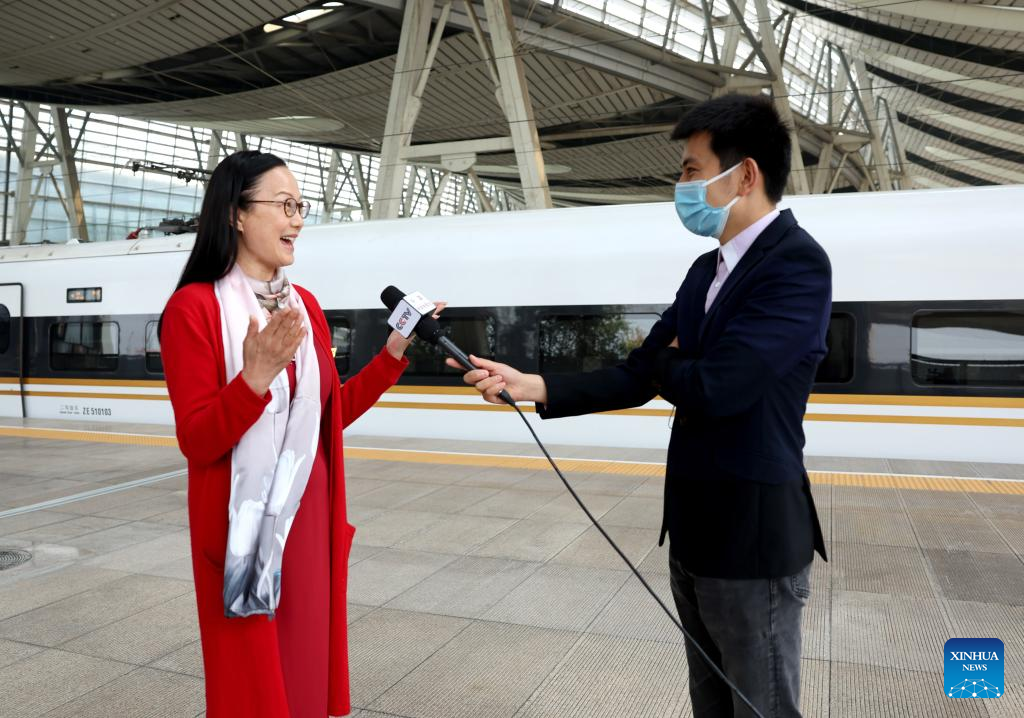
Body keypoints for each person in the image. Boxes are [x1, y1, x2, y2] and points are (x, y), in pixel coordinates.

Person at [450, 94, 830, 717]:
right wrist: (532, 385)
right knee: (710, 701)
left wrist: (670, 363)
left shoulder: (796, 265)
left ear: (746, 174)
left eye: (690, 169)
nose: (680, 186)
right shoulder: (705, 272)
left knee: (759, 705)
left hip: (752, 539)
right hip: (694, 532)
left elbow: (720, 387)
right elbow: (639, 373)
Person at [160, 150, 438, 718]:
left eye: (301, 207)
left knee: (305, 677)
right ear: (237, 214)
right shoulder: (192, 310)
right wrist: (254, 379)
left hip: (309, 521)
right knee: (254, 690)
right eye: (285, 206)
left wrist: (392, 354)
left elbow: (327, 419)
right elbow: (197, 439)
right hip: (243, 534)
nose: (298, 220)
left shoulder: (302, 305)